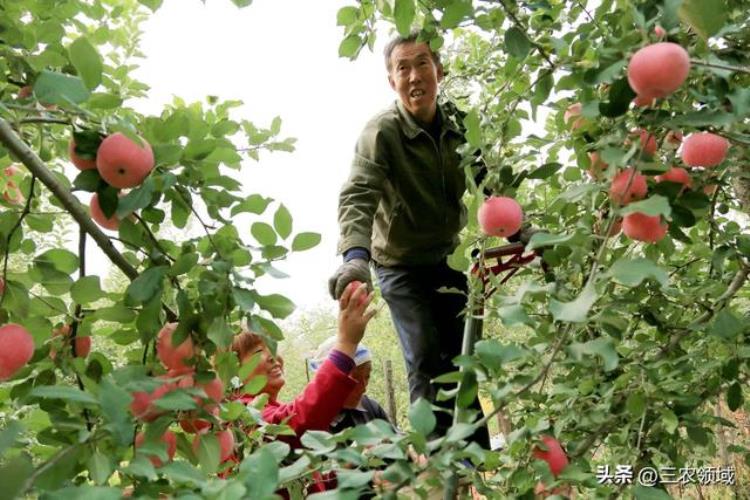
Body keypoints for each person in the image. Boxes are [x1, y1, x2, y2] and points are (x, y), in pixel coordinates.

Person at [328, 31, 491, 447]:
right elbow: (358, 195)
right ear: (391, 81)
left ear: (438, 70)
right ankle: (435, 463)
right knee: (423, 354)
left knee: (464, 356)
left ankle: (473, 465)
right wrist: (354, 257)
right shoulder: (381, 132)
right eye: (403, 68)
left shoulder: (459, 125)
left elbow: (490, 182)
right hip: (397, 263)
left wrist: (519, 228)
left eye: (422, 64)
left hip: (446, 260)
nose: (414, 75)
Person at [229, 282, 375, 493]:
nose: (271, 356)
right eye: (257, 351)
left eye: (271, 347)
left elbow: (305, 481)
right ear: (234, 373)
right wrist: (346, 344)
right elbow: (300, 419)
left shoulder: (267, 411)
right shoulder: (240, 418)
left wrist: (359, 464)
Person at [308, 336, 392, 434]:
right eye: (355, 379)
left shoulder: (371, 409)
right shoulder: (308, 423)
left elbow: (397, 443)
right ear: (327, 380)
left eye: (367, 376)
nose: (363, 389)